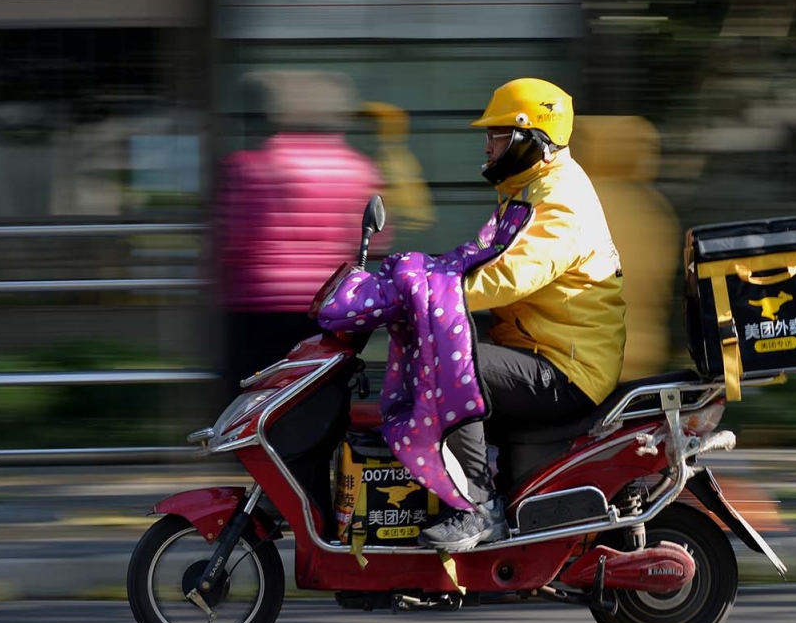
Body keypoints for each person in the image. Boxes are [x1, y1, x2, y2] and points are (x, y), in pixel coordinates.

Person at [417, 78, 627, 551]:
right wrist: (418, 275)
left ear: (530, 138)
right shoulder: (526, 191)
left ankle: (475, 509)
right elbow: (477, 257)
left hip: (567, 369)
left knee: (449, 365)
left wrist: (430, 296)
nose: (486, 145)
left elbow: (513, 274)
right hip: (537, 348)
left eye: (496, 135)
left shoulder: (559, 201)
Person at [217, 70, 387, 398]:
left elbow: (231, 239)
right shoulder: (360, 167)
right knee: (312, 395)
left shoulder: (247, 165)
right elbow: (376, 238)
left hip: (258, 304)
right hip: (328, 306)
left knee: (250, 393)